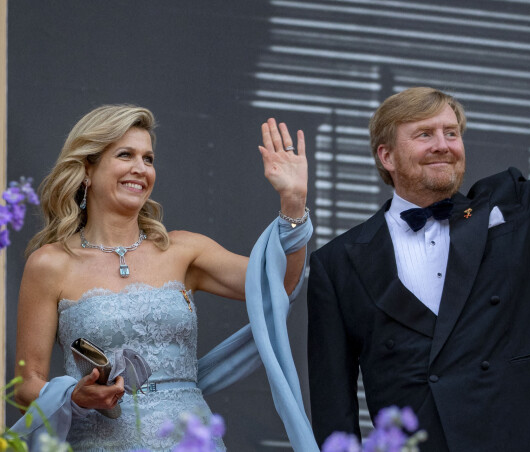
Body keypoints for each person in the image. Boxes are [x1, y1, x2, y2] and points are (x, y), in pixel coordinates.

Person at [12, 104, 315, 451]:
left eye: (149, 159)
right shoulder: (50, 264)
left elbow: (280, 286)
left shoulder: (184, 250)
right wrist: (73, 395)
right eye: (125, 155)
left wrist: (293, 202)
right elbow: (26, 384)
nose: (140, 169)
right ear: (87, 170)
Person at [307, 86, 530, 451]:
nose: (443, 144)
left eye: (451, 133)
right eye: (425, 134)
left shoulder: (511, 209)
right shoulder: (338, 262)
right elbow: (333, 408)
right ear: (387, 156)